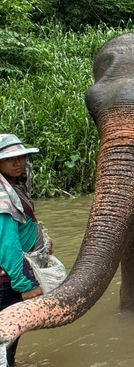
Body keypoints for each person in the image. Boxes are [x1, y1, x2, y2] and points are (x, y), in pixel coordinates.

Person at [0, 134, 43, 367]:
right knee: (4, 343)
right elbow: (7, 244)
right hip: (7, 280)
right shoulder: (2, 195)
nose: (18, 163)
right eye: (9, 159)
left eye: (21, 156)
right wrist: (25, 284)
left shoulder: (12, 187)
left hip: (9, 278)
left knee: (8, 343)